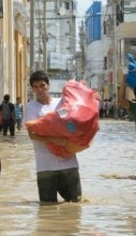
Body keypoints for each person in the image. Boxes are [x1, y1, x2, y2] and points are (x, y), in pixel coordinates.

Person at [24, 70, 82, 203]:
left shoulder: (61, 103)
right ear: (32, 89)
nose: (40, 90)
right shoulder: (31, 108)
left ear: (48, 85)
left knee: (75, 206)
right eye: (36, 87)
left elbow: (71, 125)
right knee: (47, 209)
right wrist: (55, 140)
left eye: (42, 85)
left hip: (69, 165)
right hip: (45, 167)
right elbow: (32, 135)